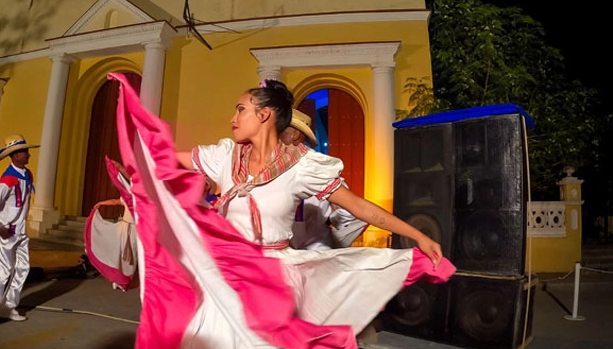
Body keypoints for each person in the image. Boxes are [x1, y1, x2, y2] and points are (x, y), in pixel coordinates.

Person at [166, 78, 454, 347]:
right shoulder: (224, 156)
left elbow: (358, 206)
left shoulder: (301, 167)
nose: (233, 118)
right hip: (225, 270)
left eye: (241, 110)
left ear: (265, 115)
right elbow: (167, 159)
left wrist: (417, 235)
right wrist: (137, 153)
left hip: (273, 275)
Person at [0, 134, 39, 325]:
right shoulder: (7, 181)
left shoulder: (27, 175)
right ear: (14, 155)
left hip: (21, 232)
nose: (28, 155)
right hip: (7, 232)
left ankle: (9, 306)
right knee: (1, 272)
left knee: (22, 268)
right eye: (24, 152)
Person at [285, 110, 369, 250]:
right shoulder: (318, 167)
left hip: (288, 253)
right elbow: (347, 213)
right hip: (318, 250)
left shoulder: (273, 169)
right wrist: (331, 218)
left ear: (295, 135)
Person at [84, 157, 138, 292]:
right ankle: (120, 279)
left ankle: (127, 278)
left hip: (136, 228)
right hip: (125, 225)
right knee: (121, 252)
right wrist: (101, 203)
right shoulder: (128, 192)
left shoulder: (138, 190)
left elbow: (132, 178)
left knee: (132, 254)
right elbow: (117, 201)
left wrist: (119, 168)